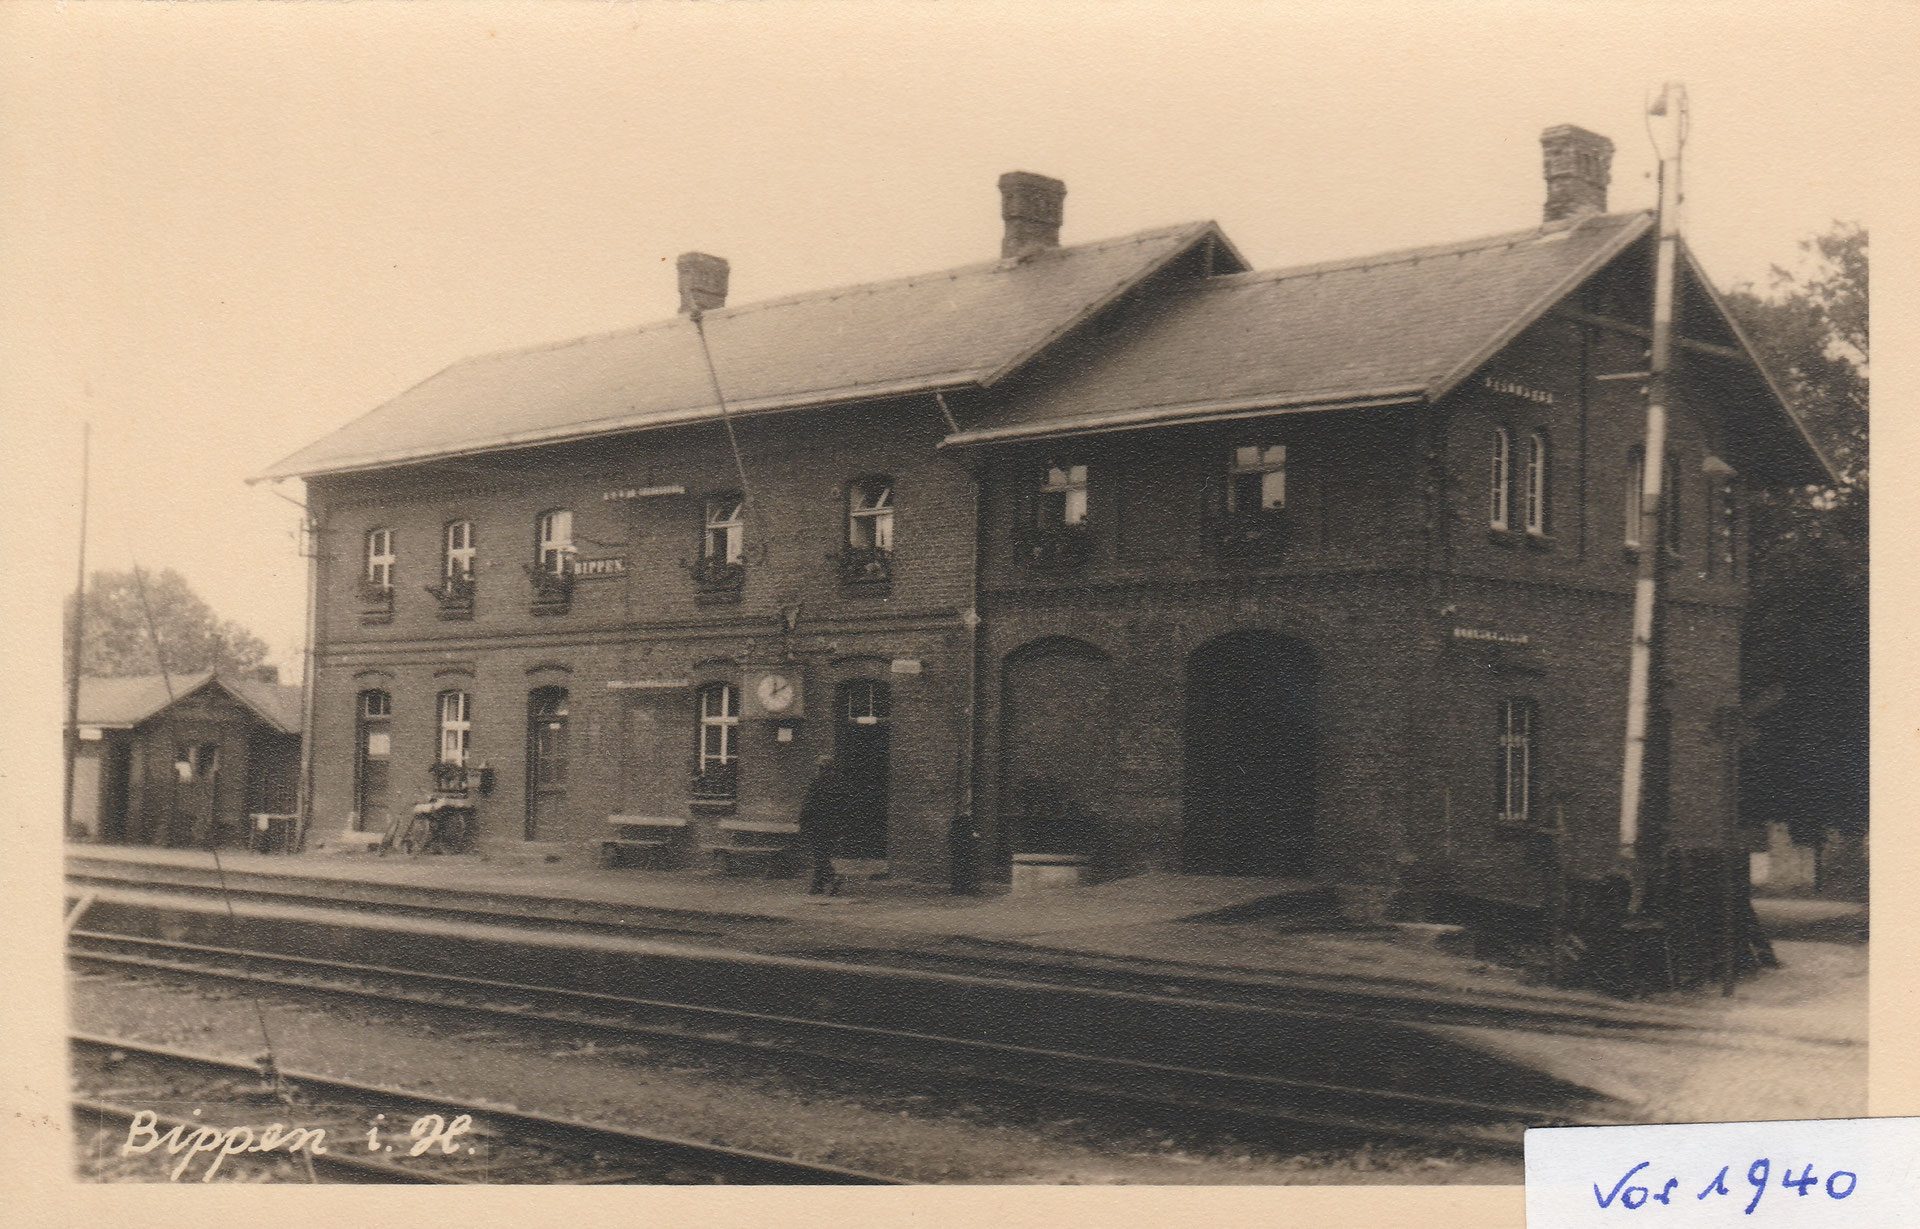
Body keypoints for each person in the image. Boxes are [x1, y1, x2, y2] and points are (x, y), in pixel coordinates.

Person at [797, 753, 849, 895]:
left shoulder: (817, 782)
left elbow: (809, 804)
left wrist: (802, 821)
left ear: (821, 768)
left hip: (817, 823)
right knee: (823, 853)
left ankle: (832, 878)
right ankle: (817, 886)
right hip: (833, 825)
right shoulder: (839, 783)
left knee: (819, 854)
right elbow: (843, 806)